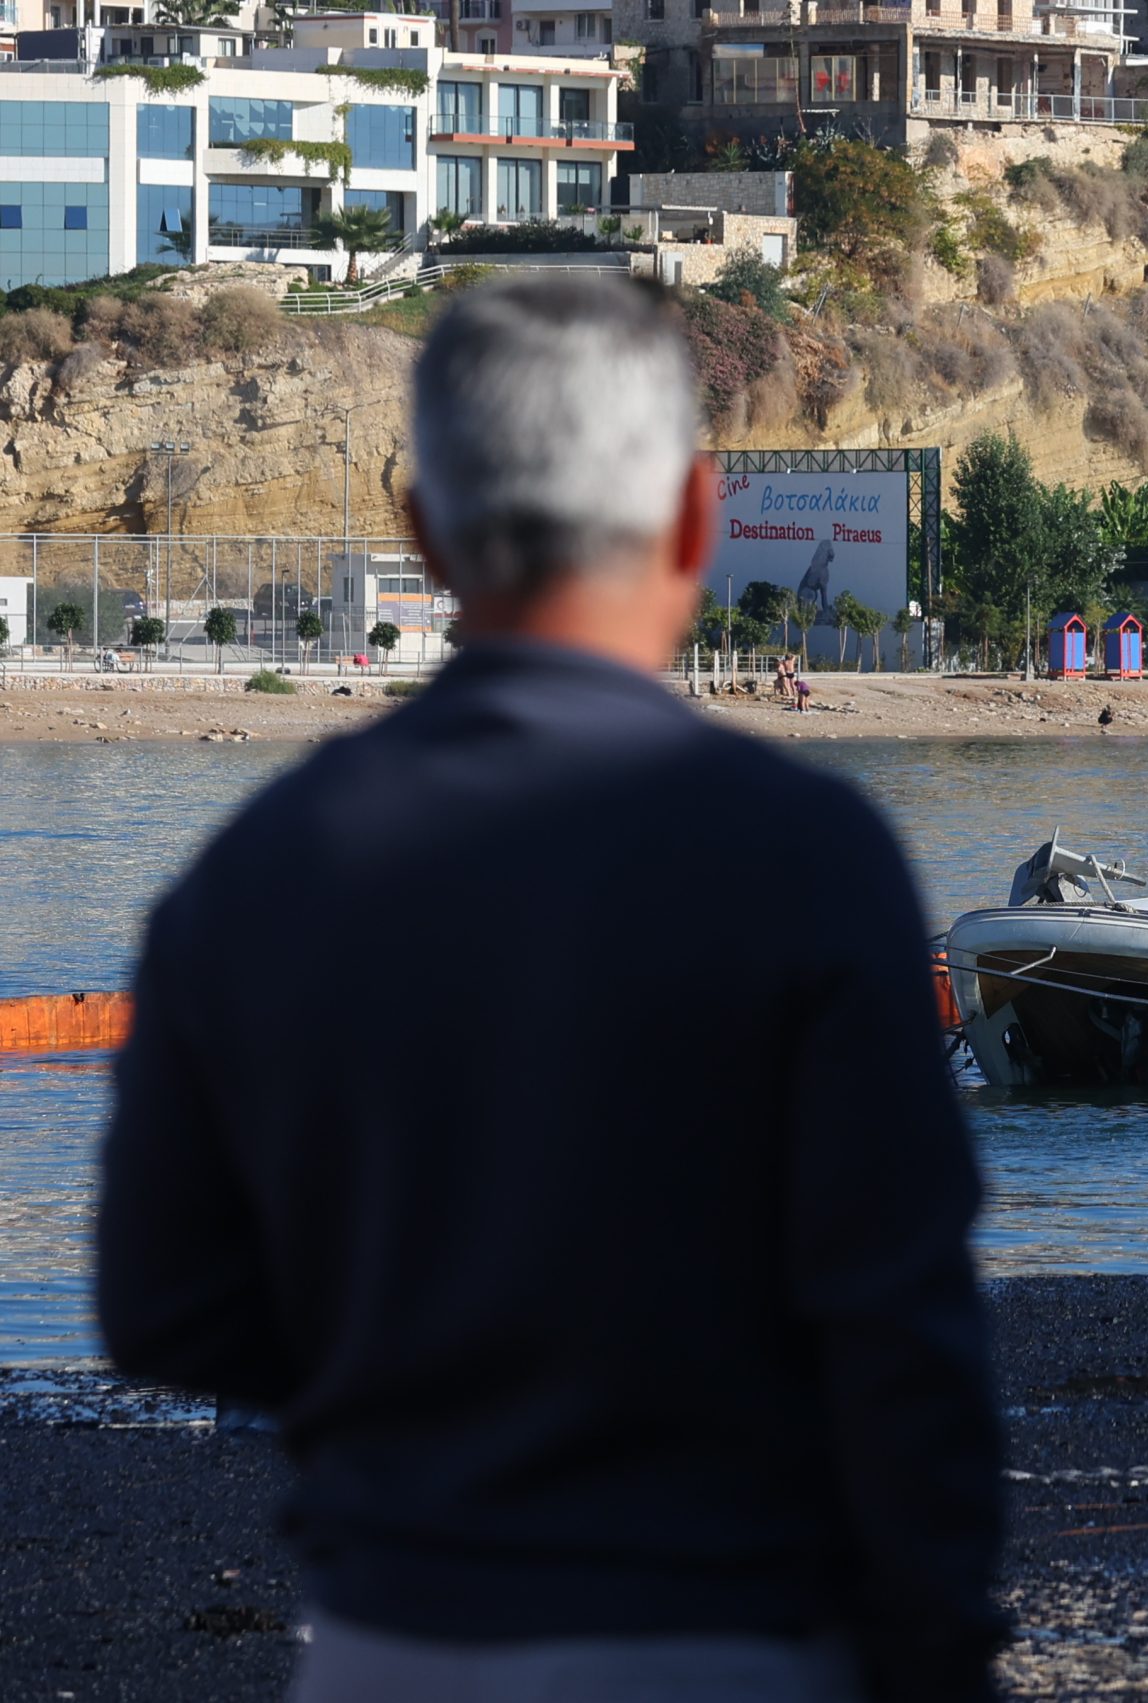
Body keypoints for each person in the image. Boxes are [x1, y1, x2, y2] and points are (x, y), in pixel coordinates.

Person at [94, 275, 1002, 1703]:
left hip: (396, 1639)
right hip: (738, 1637)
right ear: (698, 519)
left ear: (424, 532)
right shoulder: (810, 856)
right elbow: (904, 1330)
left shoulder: (253, 872)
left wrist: (404, 1372)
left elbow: (160, 1302)